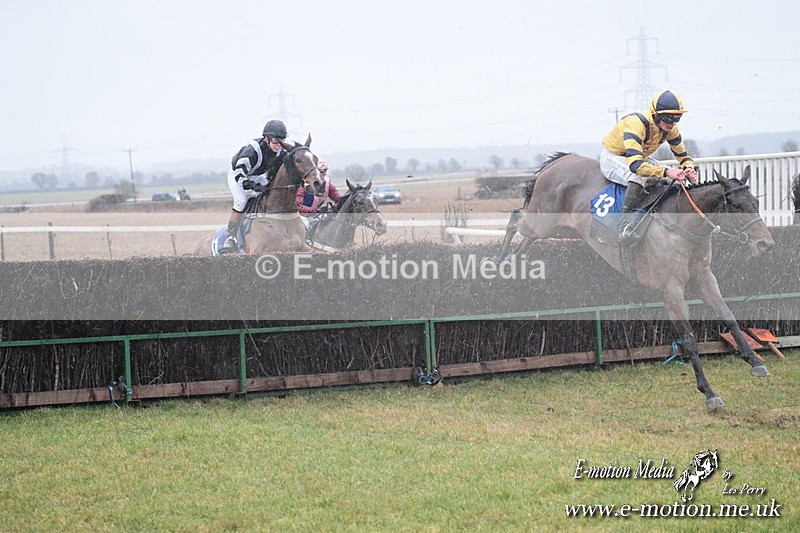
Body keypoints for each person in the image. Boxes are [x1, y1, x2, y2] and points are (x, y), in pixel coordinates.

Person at [600, 89, 698, 244]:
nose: (672, 123)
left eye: (677, 118)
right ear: (656, 114)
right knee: (639, 177)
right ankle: (626, 225)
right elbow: (635, 166)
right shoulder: (636, 124)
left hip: (636, 158)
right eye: (668, 118)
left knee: (666, 177)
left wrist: (689, 168)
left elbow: (683, 155)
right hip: (613, 157)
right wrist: (667, 171)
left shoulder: (671, 129)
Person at [221, 119, 288, 252]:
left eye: (281, 141)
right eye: (275, 141)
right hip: (238, 175)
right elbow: (240, 177)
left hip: (257, 175)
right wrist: (255, 187)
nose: (278, 145)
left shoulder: (280, 150)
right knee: (240, 201)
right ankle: (231, 236)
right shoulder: (252, 151)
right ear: (266, 139)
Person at [296, 159, 342, 245]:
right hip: (300, 216)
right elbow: (297, 206)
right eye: (321, 172)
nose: (323, 174)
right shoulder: (304, 184)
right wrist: (315, 210)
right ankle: (304, 243)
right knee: (306, 223)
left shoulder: (327, 182)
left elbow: (338, 198)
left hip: (314, 214)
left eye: (325, 172)